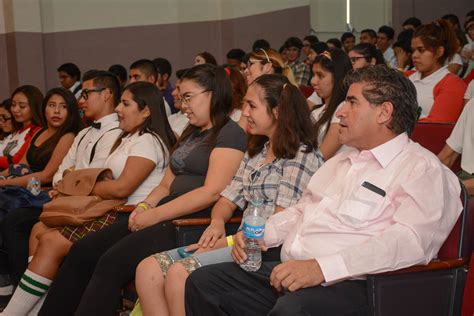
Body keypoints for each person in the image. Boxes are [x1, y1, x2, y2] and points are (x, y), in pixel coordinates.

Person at [185, 64, 462, 316]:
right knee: (204, 283)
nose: (340, 111)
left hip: (364, 286)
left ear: (384, 112)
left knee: (293, 309)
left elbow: (410, 242)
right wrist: (260, 234)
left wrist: (322, 268)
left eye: (352, 102)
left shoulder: (421, 169)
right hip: (295, 272)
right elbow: (301, 211)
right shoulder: (341, 162)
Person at [39, 64, 247, 316]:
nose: (182, 105)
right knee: (84, 250)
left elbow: (211, 192)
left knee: (112, 262)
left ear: (212, 94)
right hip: (164, 211)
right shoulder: (192, 132)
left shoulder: (229, 133)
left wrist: (155, 215)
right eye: (181, 98)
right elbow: (164, 184)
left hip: (190, 222)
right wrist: (145, 207)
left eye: (188, 97)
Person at [134, 74, 323, 316]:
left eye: (252, 106)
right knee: (147, 269)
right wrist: (217, 223)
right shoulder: (257, 151)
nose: (244, 112)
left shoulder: (300, 155)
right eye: (244, 104)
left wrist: (227, 242)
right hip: (239, 242)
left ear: (277, 111)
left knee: (178, 273)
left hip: (265, 250)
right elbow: (227, 198)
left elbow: (280, 222)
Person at [0, 81, 176, 316]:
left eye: (125, 104)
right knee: (42, 232)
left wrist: (91, 187)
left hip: (127, 215)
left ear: (146, 111)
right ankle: (31, 309)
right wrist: (94, 186)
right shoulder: (128, 137)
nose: (118, 109)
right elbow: (96, 179)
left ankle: (18, 312)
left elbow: (121, 188)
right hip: (109, 209)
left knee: (50, 240)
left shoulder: (148, 141)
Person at [0, 88, 81, 187]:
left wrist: (4, 183)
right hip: (22, 184)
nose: (56, 111)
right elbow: (21, 165)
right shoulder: (39, 132)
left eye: (64, 106)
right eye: (51, 105)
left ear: (71, 112)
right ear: (44, 108)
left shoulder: (68, 137)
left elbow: (47, 176)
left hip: (42, 190)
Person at [409, 20, 467, 122]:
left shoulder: (452, 84)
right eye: (413, 50)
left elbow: (436, 126)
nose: (414, 55)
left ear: (439, 52)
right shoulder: (406, 76)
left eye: (421, 50)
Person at [310, 48, 352, 160]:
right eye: (313, 75)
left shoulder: (344, 108)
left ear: (338, 77)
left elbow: (321, 157)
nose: (313, 81)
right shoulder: (316, 110)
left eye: (320, 76)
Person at [0, 86, 43, 170]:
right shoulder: (16, 131)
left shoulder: (36, 131)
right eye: (13, 105)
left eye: (22, 106)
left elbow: (16, 161)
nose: (15, 110)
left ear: (34, 107)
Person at [438, 98, 474, 196]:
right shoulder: (472, 104)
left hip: (464, 187)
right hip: (463, 181)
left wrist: (452, 189)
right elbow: (448, 155)